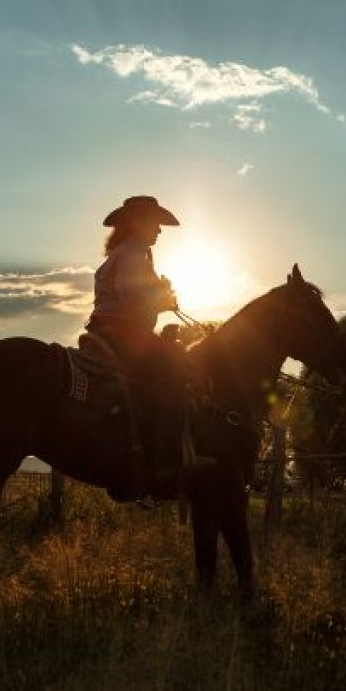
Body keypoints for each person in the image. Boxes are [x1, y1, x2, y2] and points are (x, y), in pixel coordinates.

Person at [86, 195, 211, 493]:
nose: (159, 230)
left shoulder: (124, 253)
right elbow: (131, 302)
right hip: (124, 331)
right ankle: (166, 462)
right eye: (154, 223)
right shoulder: (132, 254)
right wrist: (163, 301)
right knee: (176, 372)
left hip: (110, 329)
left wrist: (158, 296)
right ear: (137, 223)